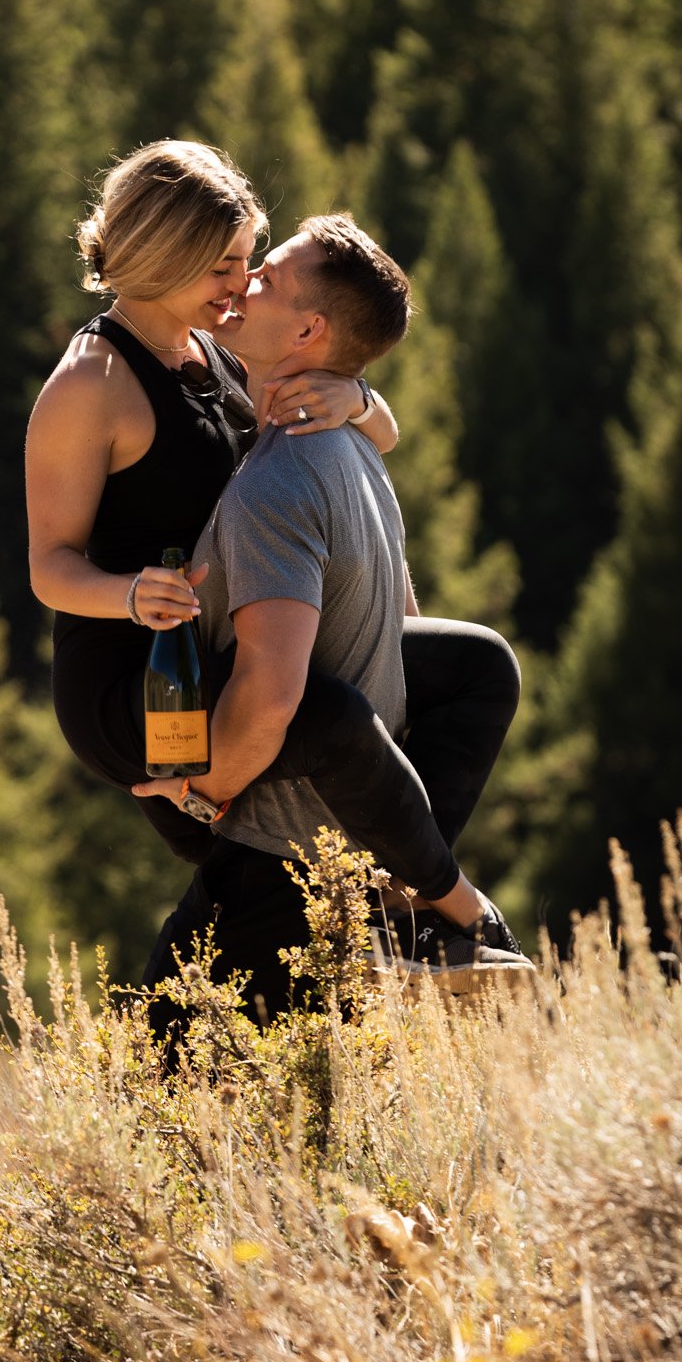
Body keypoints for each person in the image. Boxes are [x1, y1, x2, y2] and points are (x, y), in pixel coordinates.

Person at [26, 144, 523, 986]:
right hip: (141, 685)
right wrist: (128, 593)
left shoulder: (214, 351)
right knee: (318, 721)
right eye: (226, 264)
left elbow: (376, 429)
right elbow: (48, 567)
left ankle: (384, 903)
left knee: (474, 669)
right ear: (167, 254)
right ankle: (445, 905)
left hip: (223, 651)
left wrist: (357, 398)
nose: (242, 281)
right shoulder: (90, 384)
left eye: (251, 261)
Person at [133, 215, 532, 1018]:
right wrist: (360, 399)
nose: (243, 283)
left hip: (277, 861)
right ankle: (409, 908)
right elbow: (398, 615)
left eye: (267, 279)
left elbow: (273, 696)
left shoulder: (275, 485)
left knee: (159, 1092)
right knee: (319, 1108)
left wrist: (202, 797)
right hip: (339, 848)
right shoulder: (349, 446)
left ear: (309, 329)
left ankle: (444, 912)